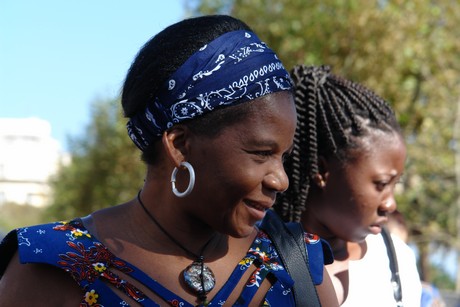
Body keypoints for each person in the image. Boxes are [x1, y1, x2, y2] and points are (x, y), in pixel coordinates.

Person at [0, 16, 338, 306]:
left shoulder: (297, 267)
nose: (280, 180)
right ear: (179, 144)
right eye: (262, 154)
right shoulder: (54, 266)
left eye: (283, 156)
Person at [274, 64, 422, 306]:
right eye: (381, 184)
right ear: (322, 171)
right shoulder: (259, 261)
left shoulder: (396, 262)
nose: (390, 204)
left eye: (396, 184)